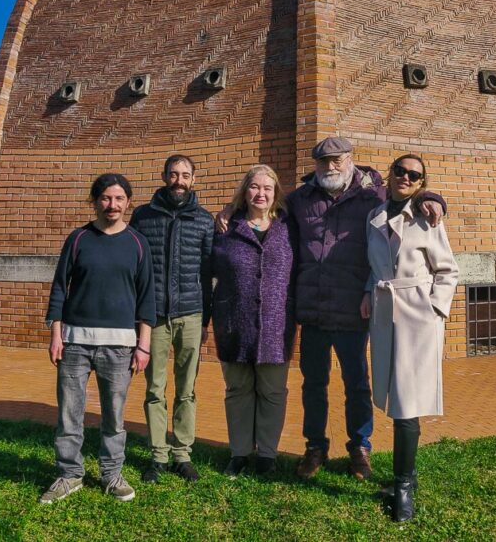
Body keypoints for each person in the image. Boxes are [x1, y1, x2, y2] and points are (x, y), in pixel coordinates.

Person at [217, 137, 446, 480]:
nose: (331, 167)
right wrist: (229, 211)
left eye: (337, 160)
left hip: (356, 309)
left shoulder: (372, 196)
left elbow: (406, 195)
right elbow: (261, 210)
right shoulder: (299, 201)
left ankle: (359, 447)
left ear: (350, 160)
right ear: (316, 165)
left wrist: (433, 197)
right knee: (313, 384)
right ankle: (315, 447)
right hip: (313, 311)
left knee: (357, 384)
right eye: (324, 162)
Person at [40, 173, 155, 504]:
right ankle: (68, 474)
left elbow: (147, 298)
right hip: (74, 343)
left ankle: (111, 474)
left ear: (128, 203)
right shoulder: (78, 239)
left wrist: (143, 344)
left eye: (119, 198)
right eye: (106, 198)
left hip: (119, 346)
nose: (112, 205)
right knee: (68, 413)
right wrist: (56, 334)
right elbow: (60, 287)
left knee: (114, 416)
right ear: (95, 201)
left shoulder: (137, 243)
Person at [360, 154, 459, 522]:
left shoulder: (427, 218)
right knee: (392, 396)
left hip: (418, 317)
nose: (405, 177)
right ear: (390, 174)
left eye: (414, 175)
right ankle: (408, 477)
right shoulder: (374, 217)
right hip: (384, 312)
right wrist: (368, 293)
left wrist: (435, 310)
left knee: (407, 400)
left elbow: (448, 270)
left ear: (421, 183)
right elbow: (375, 266)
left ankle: (403, 486)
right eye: (400, 170)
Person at [130, 155, 214, 484]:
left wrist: (206, 320)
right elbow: (135, 269)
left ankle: (182, 453)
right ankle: (157, 455)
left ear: (193, 180)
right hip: (154, 318)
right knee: (154, 387)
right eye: (174, 174)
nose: (179, 180)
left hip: (191, 315)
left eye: (186, 175)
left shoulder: (204, 220)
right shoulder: (143, 216)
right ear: (164, 176)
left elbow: (208, 275)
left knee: (187, 389)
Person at [211, 165, 297, 477]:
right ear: (244, 191)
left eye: (267, 188)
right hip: (234, 323)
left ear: (275, 194)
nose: (260, 194)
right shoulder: (225, 228)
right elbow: (210, 271)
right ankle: (240, 452)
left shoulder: (289, 227)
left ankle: (267, 455)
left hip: (277, 325)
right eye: (254, 187)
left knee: (273, 391)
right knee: (238, 390)